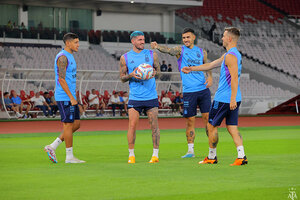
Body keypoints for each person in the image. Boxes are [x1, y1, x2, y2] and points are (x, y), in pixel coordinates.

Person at [182, 27, 248, 166]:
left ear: (230, 39)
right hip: (233, 97)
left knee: (211, 126)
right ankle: (241, 156)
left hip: (224, 99)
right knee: (232, 127)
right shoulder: (233, 54)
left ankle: (212, 157)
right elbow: (211, 65)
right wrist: (192, 68)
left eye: (224, 36)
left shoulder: (230, 56)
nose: (222, 38)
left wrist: (231, 99)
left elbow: (234, 78)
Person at [151, 27, 213, 158]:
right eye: (184, 38)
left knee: (208, 120)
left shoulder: (202, 52)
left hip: (203, 90)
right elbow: (169, 51)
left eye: (188, 37)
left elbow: (207, 65)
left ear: (193, 38)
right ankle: (190, 151)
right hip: (189, 92)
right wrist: (157, 46)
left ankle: (212, 151)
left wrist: (210, 77)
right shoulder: (180, 50)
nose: (185, 40)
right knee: (190, 121)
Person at [120, 31, 161, 164]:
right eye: (140, 40)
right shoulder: (125, 57)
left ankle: (155, 155)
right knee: (132, 126)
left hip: (151, 96)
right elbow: (122, 78)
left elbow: (159, 72)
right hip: (135, 97)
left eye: (143, 40)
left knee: (154, 125)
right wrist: (131, 75)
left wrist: (154, 73)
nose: (143, 42)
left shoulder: (152, 54)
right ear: (133, 41)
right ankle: (131, 155)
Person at [44, 32, 85, 164]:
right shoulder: (62, 57)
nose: (78, 45)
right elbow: (61, 79)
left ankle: (52, 146)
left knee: (76, 124)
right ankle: (69, 157)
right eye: (76, 42)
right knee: (68, 125)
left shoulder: (70, 56)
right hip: (64, 96)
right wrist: (71, 97)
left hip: (70, 96)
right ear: (68, 43)